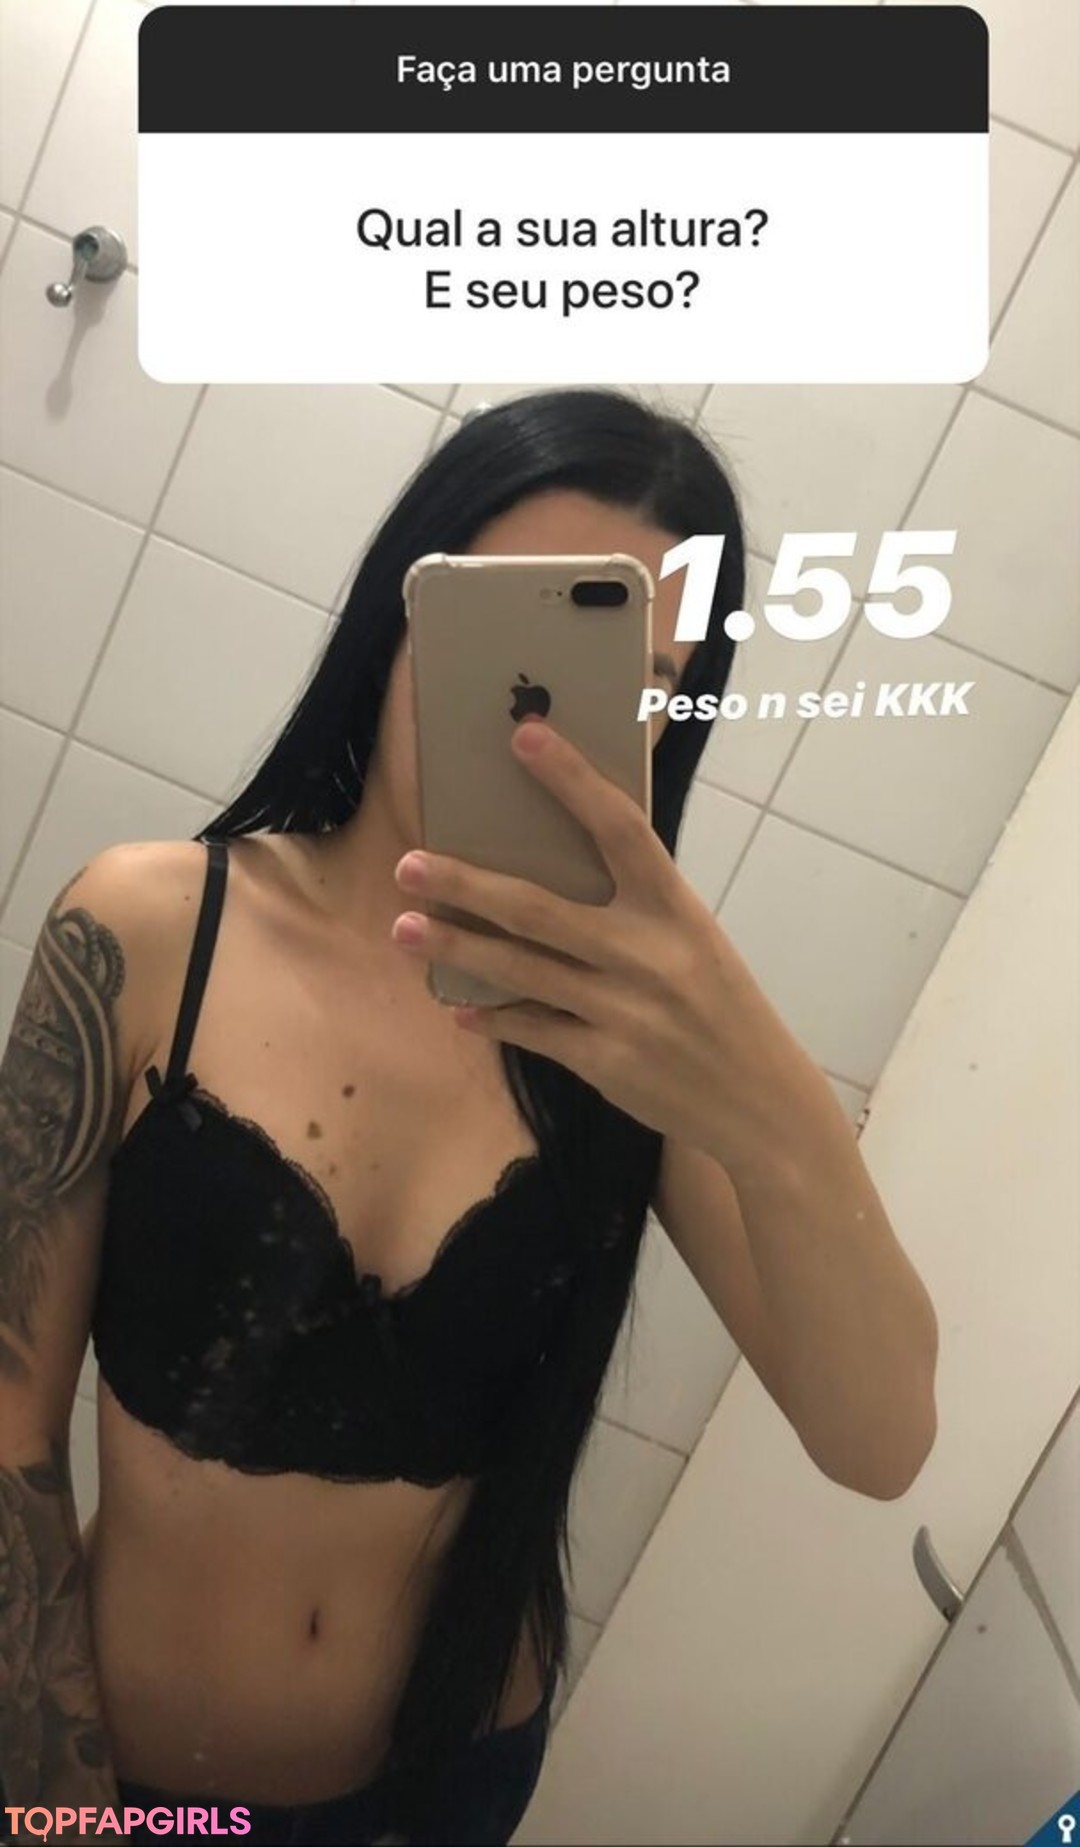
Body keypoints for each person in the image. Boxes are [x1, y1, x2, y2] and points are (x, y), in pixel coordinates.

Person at [0, 390, 939, 1846]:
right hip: (120, 1778)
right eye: (512, 635)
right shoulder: (150, 929)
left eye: (639, 677)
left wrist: (759, 1074)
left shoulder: (634, 1042)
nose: (544, 720)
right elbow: (9, 1411)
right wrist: (55, 1802)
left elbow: (877, 1441)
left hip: (450, 1789)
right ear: (402, 616)